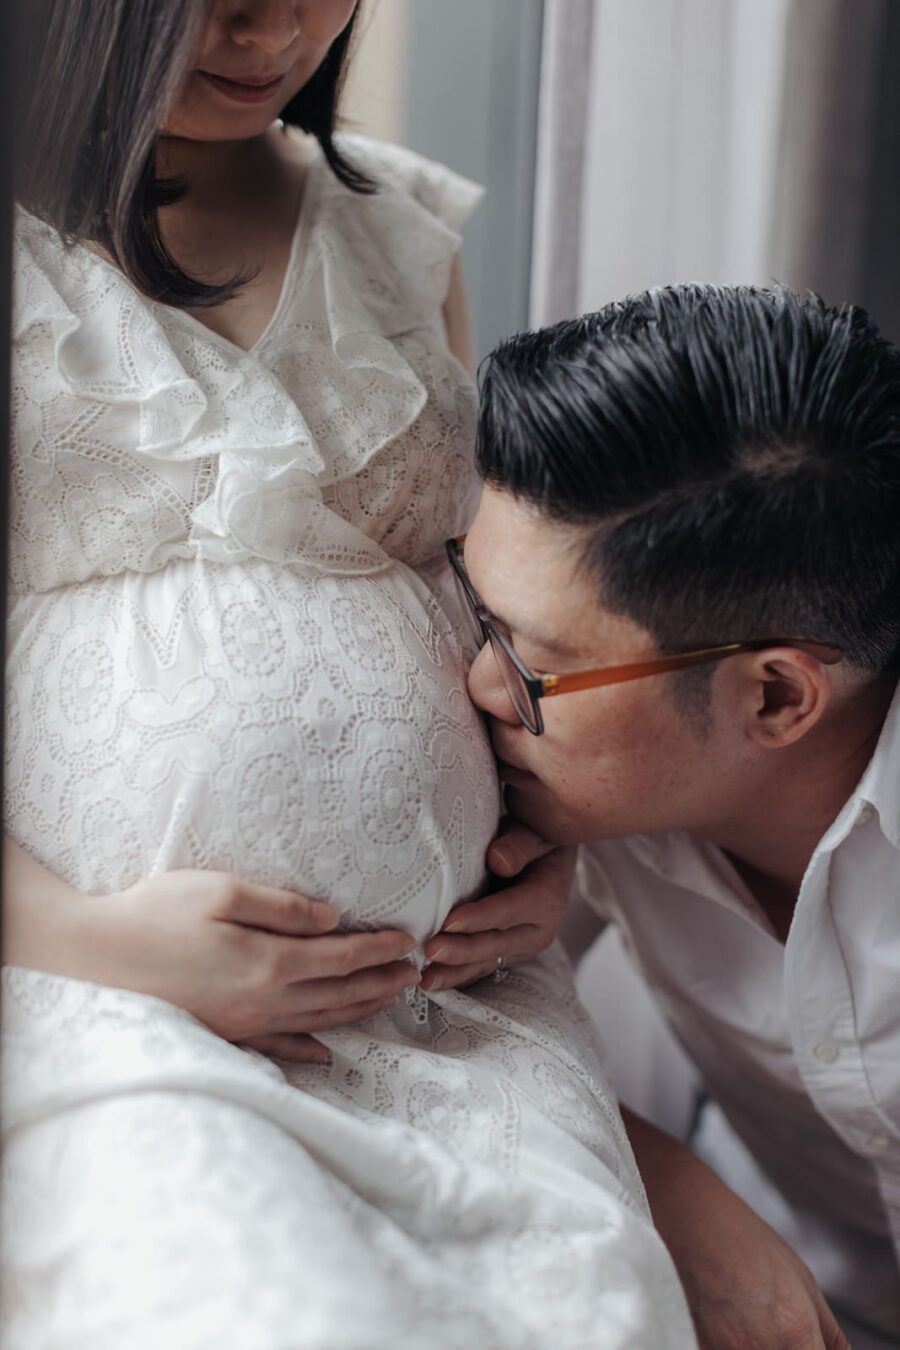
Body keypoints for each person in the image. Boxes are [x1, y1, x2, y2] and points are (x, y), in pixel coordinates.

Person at [2, 2, 697, 1346]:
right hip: (105, 995)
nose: (273, 27)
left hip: (452, 1003)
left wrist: (539, 832)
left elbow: (483, 595)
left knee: (586, 1311)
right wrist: (99, 943)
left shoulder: (395, 230)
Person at [461, 282, 900, 1350]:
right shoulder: (593, 789)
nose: (477, 683)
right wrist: (672, 1186)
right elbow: (423, 1033)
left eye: (533, 666)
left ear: (775, 698)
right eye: (478, 616)